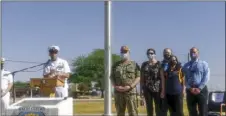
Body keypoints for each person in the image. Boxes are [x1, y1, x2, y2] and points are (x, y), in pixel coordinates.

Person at [111, 46, 141, 116]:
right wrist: (116, 86)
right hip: (118, 92)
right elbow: (111, 77)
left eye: (125, 52)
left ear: (129, 53)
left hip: (130, 92)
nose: (123, 53)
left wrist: (130, 86)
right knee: (120, 113)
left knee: (133, 113)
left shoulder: (134, 64)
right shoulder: (115, 65)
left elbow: (138, 77)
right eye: (122, 52)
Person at [182, 47, 210, 116]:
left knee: (203, 111)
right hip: (190, 90)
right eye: (191, 52)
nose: (193, 54)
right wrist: (189, 87)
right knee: (192, 112)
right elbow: (184, 78)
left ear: (198, 53)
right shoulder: (185, 66)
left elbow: (206, 77)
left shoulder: (204, 64)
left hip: (201, 90)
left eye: (194, 52)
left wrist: (199, 88)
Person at [140, 48, 165, 116]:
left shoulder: (159, 64)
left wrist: (163, 90)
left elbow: (162, 78)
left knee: (158, 107)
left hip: (157, 89)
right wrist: (141, 91)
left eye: (151, 53)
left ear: (155, 54)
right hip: (147, 89)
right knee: (149, 107)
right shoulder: (144, 64)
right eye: (148, 53)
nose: (150, 55)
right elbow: (142, 79)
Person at [161, 48, 173, 116]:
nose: (167, 53)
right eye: (165, 52)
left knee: (173, 110)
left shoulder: (175, 63)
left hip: (173, 90)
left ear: (171, 53)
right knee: (163, 110)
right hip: (164, 90)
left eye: (168, 52)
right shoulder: (161, 64)